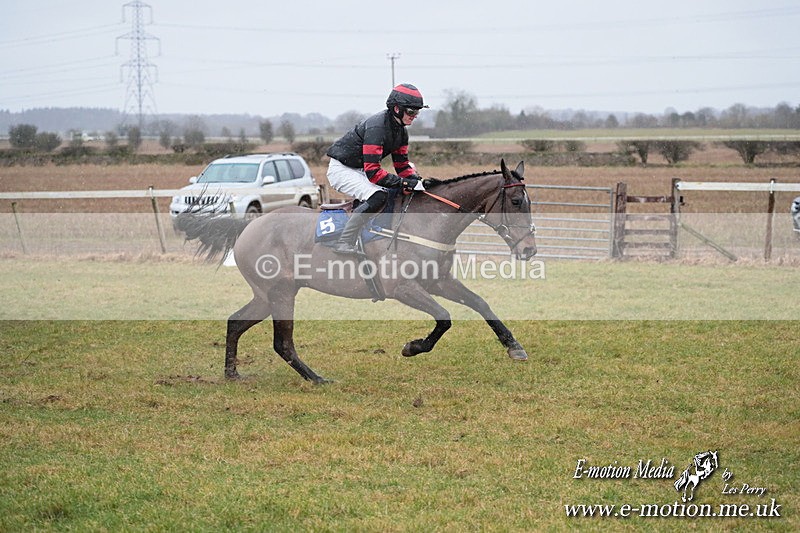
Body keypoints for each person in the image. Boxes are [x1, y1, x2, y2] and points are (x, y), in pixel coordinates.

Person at [325, 83, 427, 254]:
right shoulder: (377, 127)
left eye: (417, 112)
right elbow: (373, 172)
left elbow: (402, 165)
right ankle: (344, 241)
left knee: (396, 193)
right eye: (411, 111)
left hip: (360, 170)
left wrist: (417, 182)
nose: (415, 116)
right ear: (396, 109)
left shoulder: (402, 132)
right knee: (378, 195)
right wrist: (404, 183)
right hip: (341, 170)